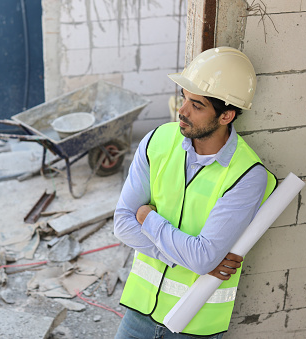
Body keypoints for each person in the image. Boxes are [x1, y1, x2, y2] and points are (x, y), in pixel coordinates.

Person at [113, 46, 277, 339]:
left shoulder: (248, 175)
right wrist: (184, 258)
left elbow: (203, 258)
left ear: (226, 115)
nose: (182, 111)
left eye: (197, 105)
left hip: (195, 324)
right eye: (184, 98)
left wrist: (148, 218)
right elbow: (123, 224)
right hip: (139, 313)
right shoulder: (157, 141)